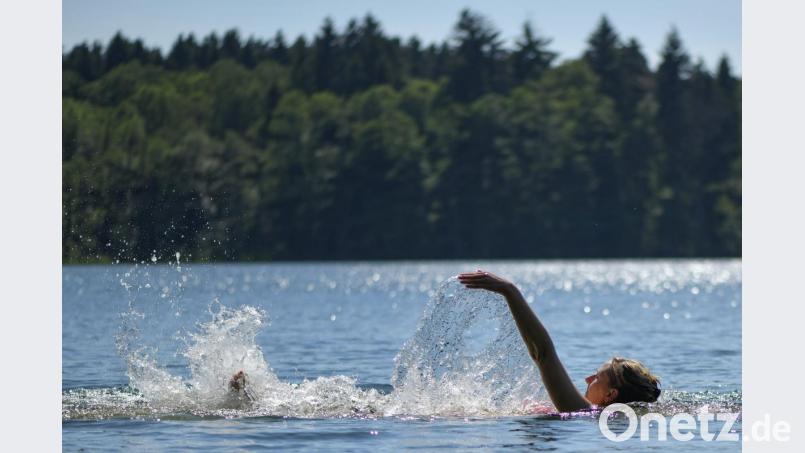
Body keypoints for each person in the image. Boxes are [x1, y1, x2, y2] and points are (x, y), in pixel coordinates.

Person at [458, 269, 661, 412]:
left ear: (610, 396)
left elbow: (543, 354)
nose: (587, 379)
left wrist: (510, 291)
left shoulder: (582, 411)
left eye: (598, 377)